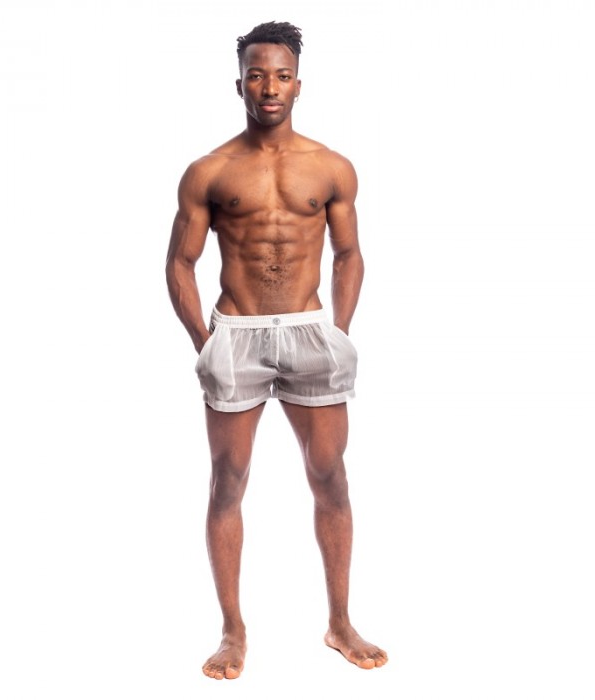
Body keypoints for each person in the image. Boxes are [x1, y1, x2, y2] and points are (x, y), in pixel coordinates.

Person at [165, 20, 387, 680]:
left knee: (330, 474)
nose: (270, 87)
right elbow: (179, 262)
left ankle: (340, 623)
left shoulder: (331, 166)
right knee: (228, 480)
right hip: (236, 333)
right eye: (257, 75)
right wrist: (206, 342)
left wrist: (338, 329)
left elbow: (350, 254)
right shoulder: (210, 171)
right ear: (239, 84)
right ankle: (232, 631)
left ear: (298, 84)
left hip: (309, 329)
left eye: (282, 76)